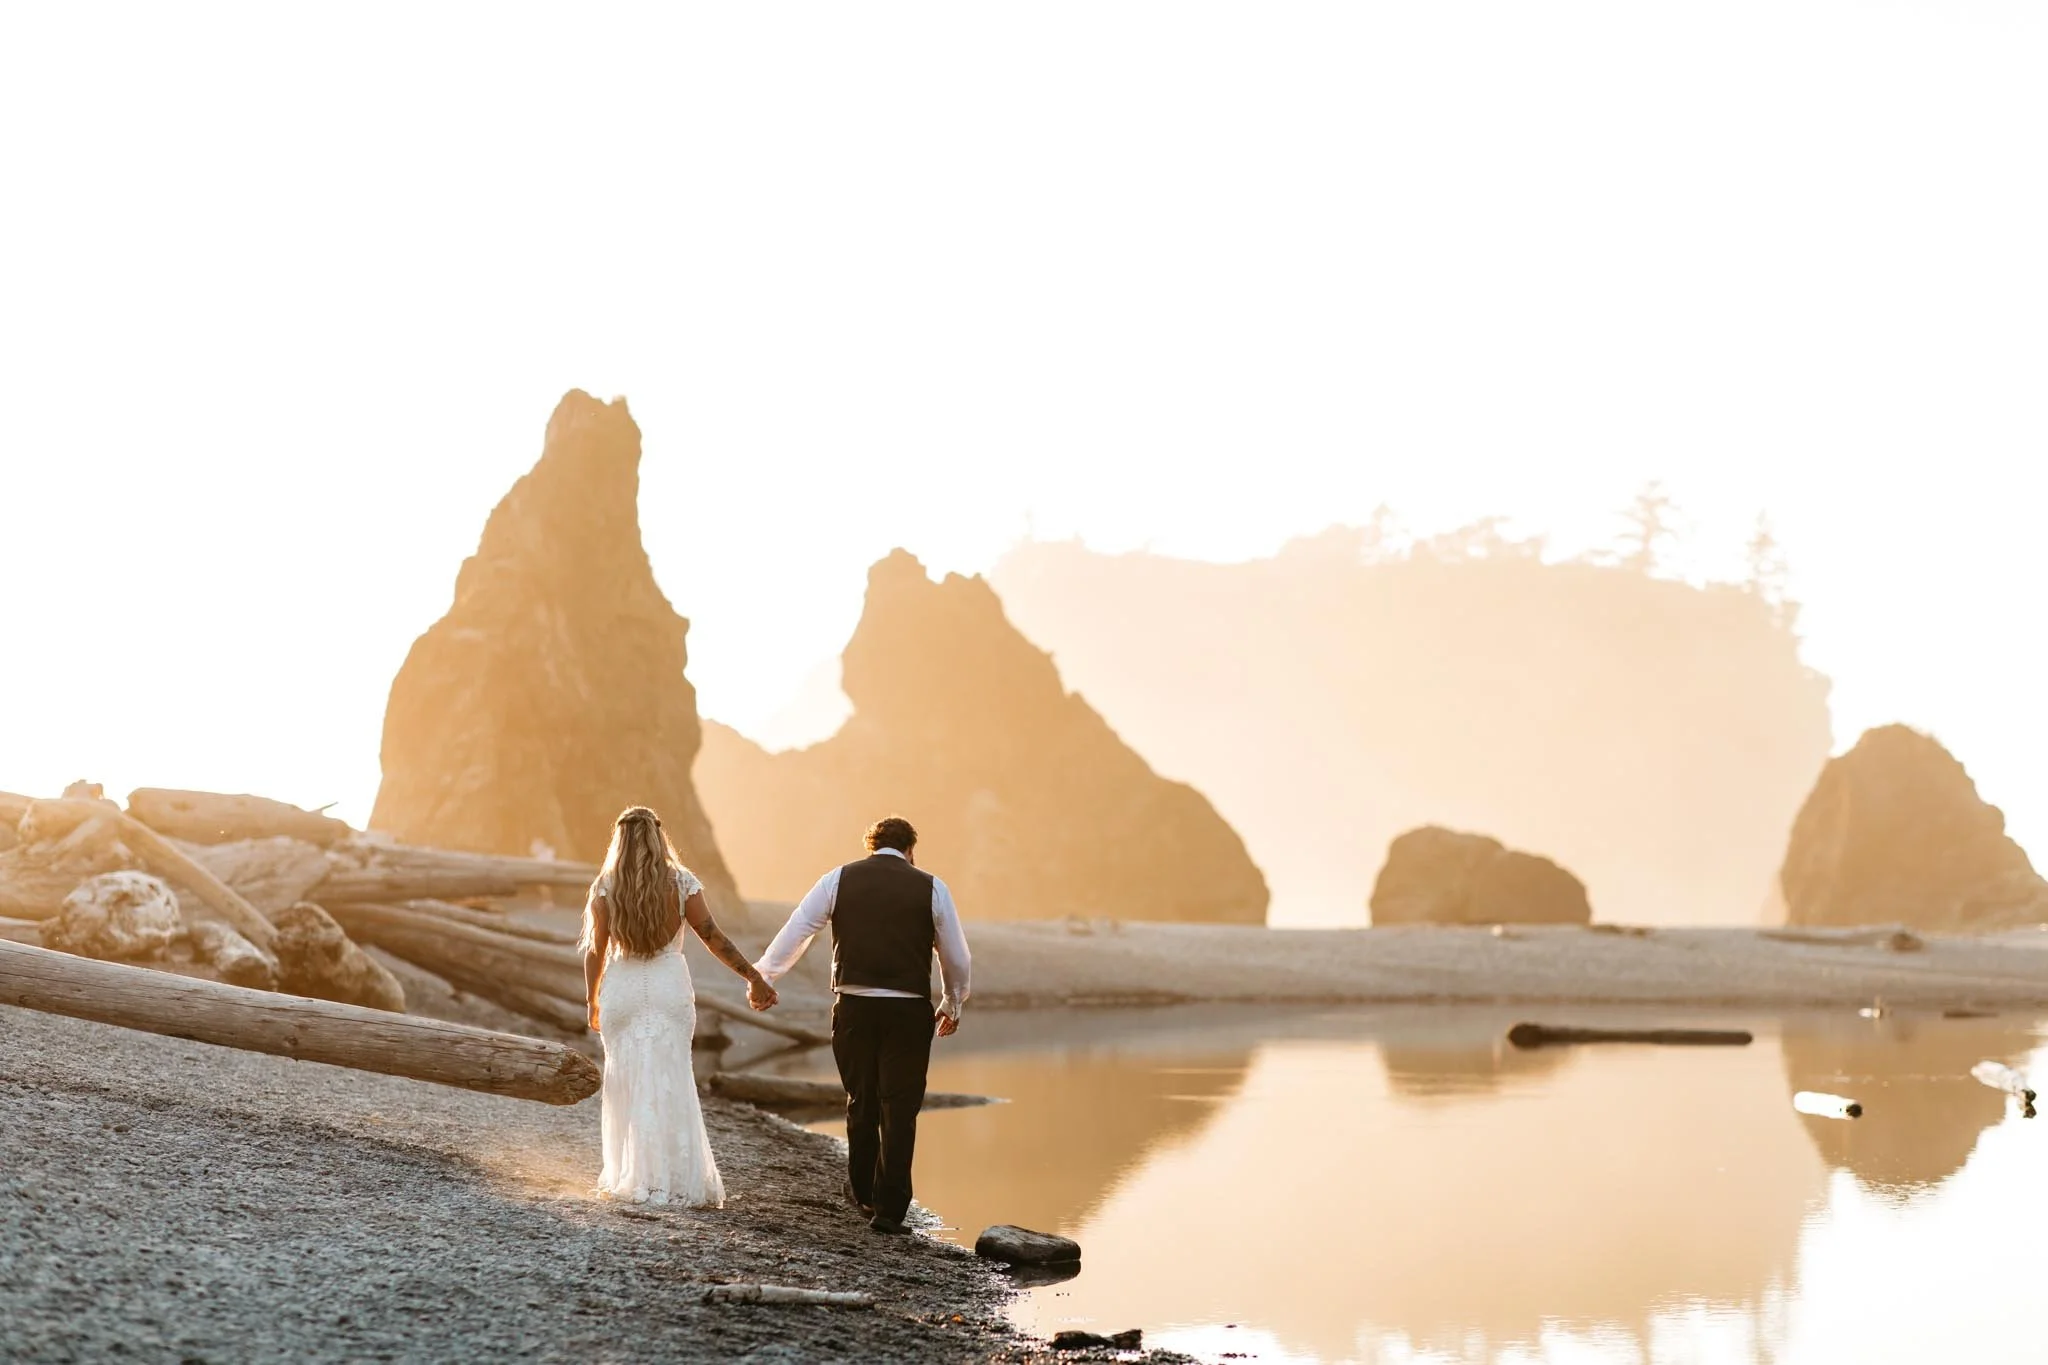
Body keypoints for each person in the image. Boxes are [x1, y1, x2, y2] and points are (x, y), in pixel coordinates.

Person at [754, 815, 971, 1235]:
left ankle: (863, 1193)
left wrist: (765, 976)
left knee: (861, 1100)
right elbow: (956, 956)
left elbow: (798, 929)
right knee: (900, 1108)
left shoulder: (838, 879)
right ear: (910, 850)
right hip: (908, 1010)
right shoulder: (932, 887)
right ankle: (889, 1210)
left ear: (870, 846)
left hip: (854, 1006)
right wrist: (952, 1001)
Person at [581, 805, 778, 1206]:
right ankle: (674, 1180)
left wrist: (592, 999)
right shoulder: (682, 882)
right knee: (672, 1077)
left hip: (622, 991)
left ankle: (630, 1175)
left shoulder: (605, 886)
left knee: (626, 1081)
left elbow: (595, 952)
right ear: (658, 836)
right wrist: (753, 977)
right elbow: (713, 937)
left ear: (619, 839)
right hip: (668, 987)